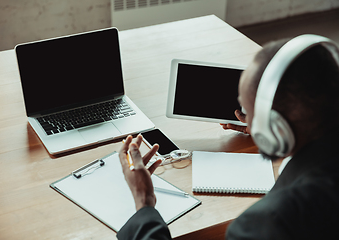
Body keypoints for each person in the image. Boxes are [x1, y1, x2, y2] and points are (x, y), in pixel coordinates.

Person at [117, 35, 339, 239]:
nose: (245, 118)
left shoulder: (266, 224)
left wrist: (144, 203)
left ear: (275, 127)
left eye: (248, 110)